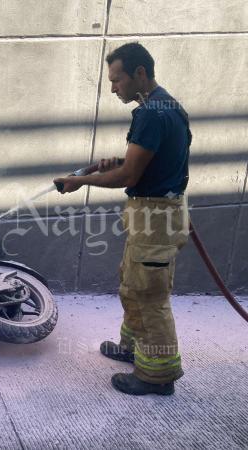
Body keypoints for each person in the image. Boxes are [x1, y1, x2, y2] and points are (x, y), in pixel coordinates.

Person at [54, 42, 191, 396]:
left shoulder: (151, 114)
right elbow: (151, 163)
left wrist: (81, 181)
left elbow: (129, 177)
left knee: (150, 296)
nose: (113, 88)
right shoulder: (165, 106)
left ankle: (157, 376)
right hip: (154, 216)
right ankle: (133, 348)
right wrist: (118, 162)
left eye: (117, 80)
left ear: (139, 73)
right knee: (133, 284)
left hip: (156, 218)